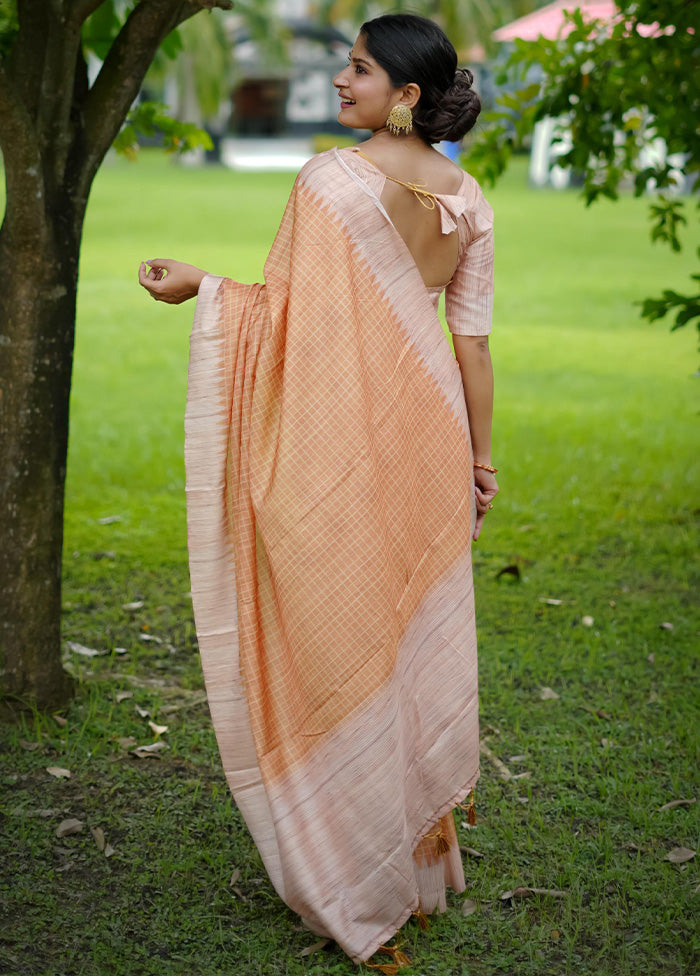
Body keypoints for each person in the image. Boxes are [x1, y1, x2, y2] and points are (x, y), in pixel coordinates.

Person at [139, 13, 497, 969]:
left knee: (338, 633)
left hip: (351, 424)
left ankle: (357, 872)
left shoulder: (330, 183)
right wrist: (482, 458)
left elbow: (285, 316)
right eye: (346, 64)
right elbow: (471, 342)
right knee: (391, 630)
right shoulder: (468, 196)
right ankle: (409, 869)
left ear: (407, 95)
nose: (342, 81)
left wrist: (203, 287)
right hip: (429, 427)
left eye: (359, 68)